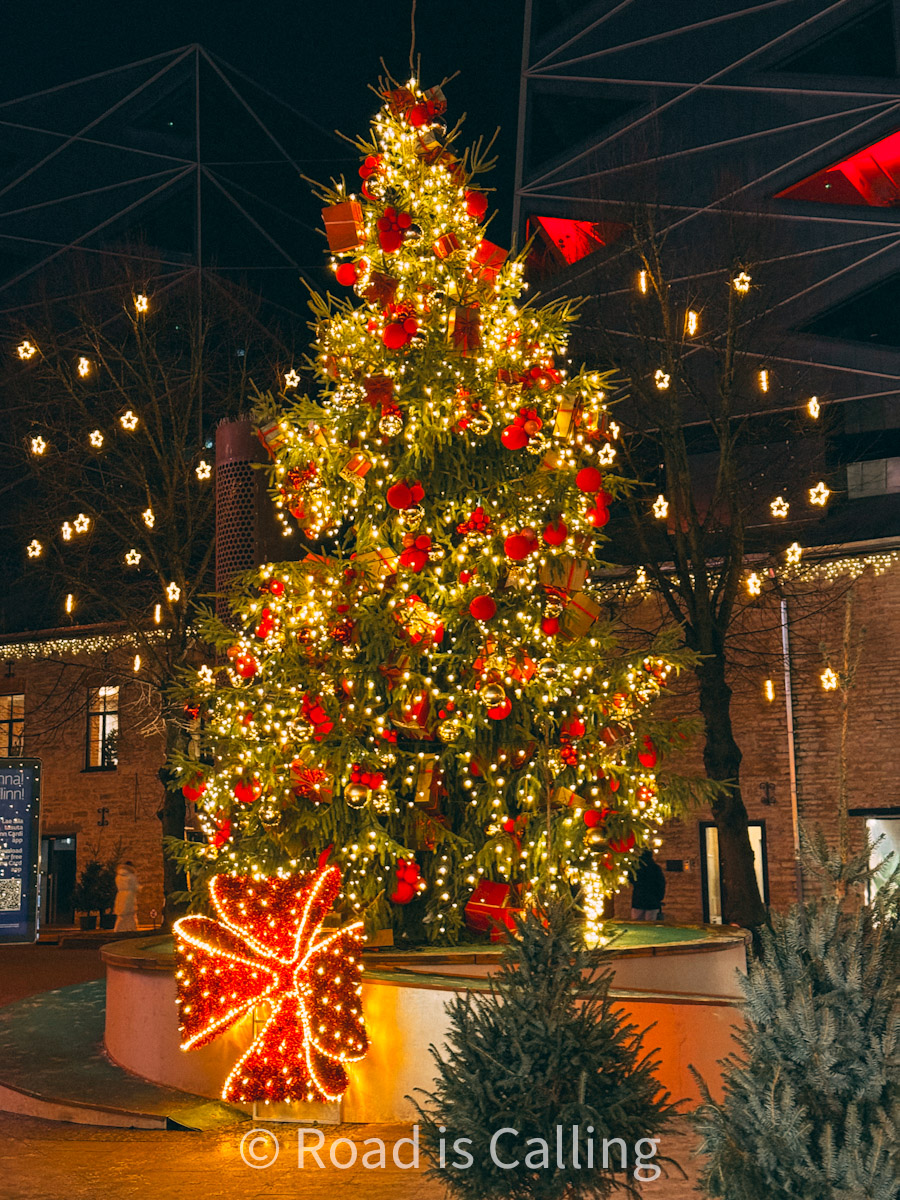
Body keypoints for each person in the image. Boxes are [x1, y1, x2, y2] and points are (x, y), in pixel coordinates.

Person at [630, 849, 666, 921]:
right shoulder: (656, 868)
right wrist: (659, 897)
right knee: (651, 924)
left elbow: (631, 879)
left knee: (636, 923)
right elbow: (661, 884)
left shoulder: (637, 867)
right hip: (653, 900)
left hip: (638, 899)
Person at [113, 861, 140, 932]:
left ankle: (118, 929)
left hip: (120, 896)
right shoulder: (131, 876)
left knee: (121, 914)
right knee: (130, 914)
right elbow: (135, 886)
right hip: (129, 896)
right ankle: (131, 929)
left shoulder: (118, 876)